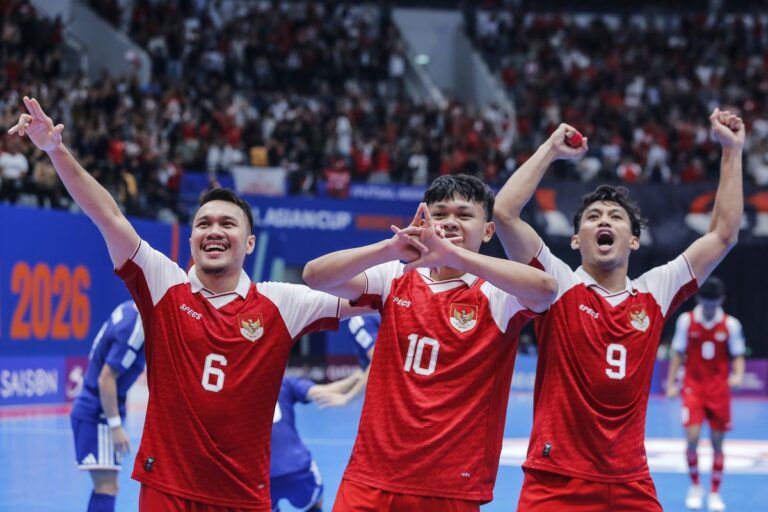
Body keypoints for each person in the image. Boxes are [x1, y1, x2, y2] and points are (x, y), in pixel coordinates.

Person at [8, 96, 360, 511]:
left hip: (243, 497)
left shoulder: (281, 302)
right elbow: (108, 216)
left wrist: (411, 255)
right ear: (191, 239)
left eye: (228, 223)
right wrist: (56, 151)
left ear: (249, 243)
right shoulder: (164, 285)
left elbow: (371, 298)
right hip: (167, 491)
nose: (214, 230)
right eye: (203, 223)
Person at [492, 110, 744, 511]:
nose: (603, 221)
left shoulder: (655, 291)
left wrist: (732, 150)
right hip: (557, 480)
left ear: (634, 240)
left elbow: (723, 234)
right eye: (592, 217)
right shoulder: (558, 284)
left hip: (630, 481)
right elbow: (504, 214)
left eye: (615, 217)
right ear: (576, 240)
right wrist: (550, 150)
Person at [302, 174, 559, 511]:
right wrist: (389, 248)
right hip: (371, 478)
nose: (450, 222)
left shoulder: (499, 294)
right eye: (439, 214)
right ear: (424, 221)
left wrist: (456, 257)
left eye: (464, 215)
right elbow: (315, 276)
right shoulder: (394, 276)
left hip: (449, 487)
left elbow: (546, 289)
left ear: (487, 231)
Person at [666, 276, 746, 511]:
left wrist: (738, 375)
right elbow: (678, 353)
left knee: (717, 443)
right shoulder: (686, 321)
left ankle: (714, 492)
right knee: (692, 439)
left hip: (719, 390)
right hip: (693, 388)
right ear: (699, 299)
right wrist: (671, 383)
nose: (709, 307)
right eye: (706, 302)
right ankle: (695, 486)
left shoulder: (731, 325)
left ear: (721, 300)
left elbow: (738, 355)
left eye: (714, 302)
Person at [70, 300, 145, 512]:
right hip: (98, 413)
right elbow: (106, 379)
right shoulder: (136, 328)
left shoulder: (128, 308)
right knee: (107, 487)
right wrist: (115, 425)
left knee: (106, 486)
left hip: (99, 408)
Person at [270, 375, 356, 512]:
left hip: (261, 473)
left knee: (265, 505)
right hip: (297, 467)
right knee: (316, 503)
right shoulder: (284, 382)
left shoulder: (243, 389)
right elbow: (323, 392)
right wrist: (357, 377)